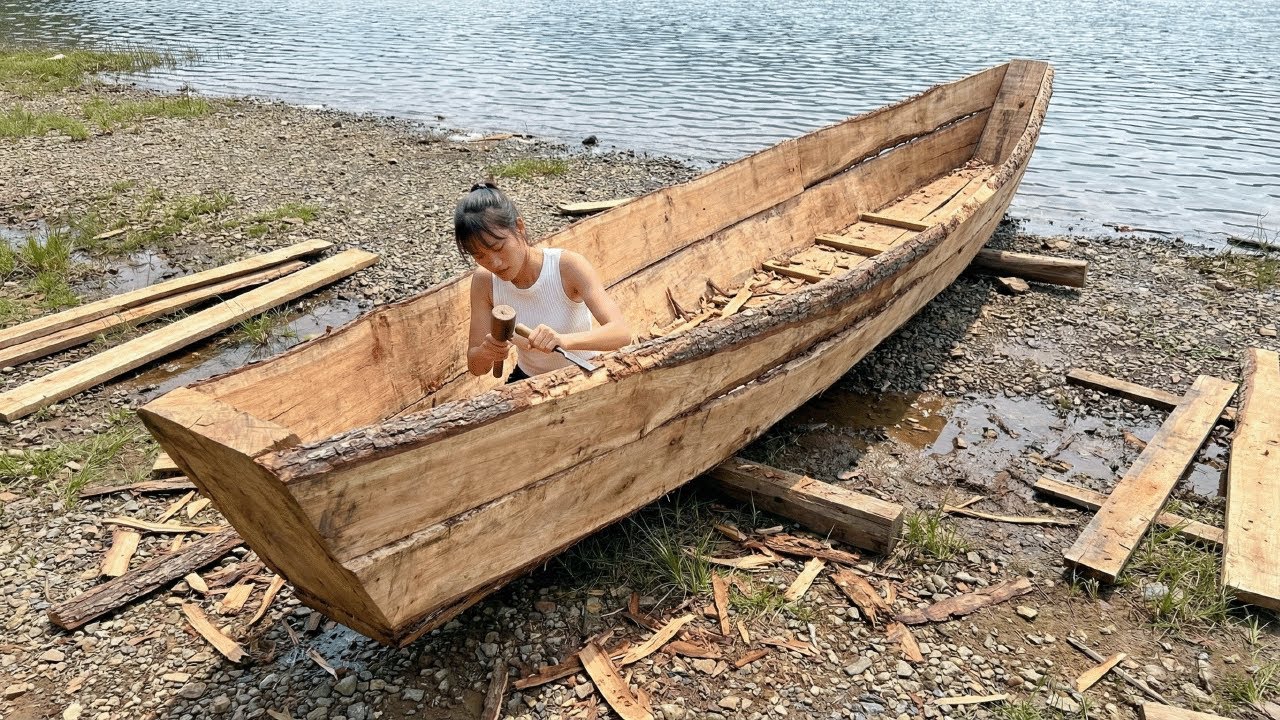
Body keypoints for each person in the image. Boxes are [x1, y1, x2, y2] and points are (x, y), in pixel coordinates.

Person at [456, 182, 631, 381]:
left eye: (498, 248)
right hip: (529, 379)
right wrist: (486, 352)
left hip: (582, 373)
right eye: (479, 256)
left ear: (519, 228)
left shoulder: (567, 266)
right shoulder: (484, 281)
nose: (494, 263)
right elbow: (476, 368)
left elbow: (621, 333)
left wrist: (562, 341)